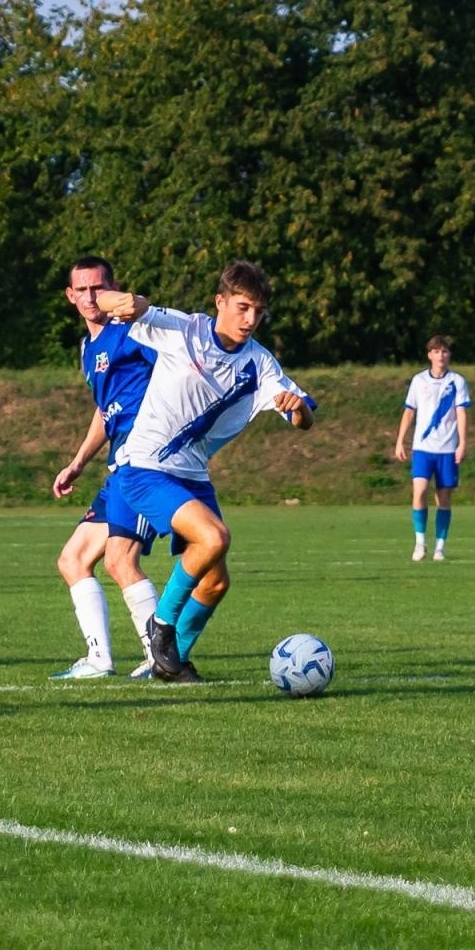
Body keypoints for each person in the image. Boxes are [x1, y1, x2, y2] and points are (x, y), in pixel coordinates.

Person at [96, 261, 315, 683]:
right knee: (214, 536)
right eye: (242, 307)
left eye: (258, 311)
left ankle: (168, 665)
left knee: (215, 584)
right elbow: (107, 304)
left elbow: (304, 421)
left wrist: (298, 408)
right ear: (220, 302)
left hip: (194, 477)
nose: (250, 319)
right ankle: (161, 630)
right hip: (146, 467)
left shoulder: (259, 364)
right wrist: (123, 300)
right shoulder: (184, 330)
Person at [49, 256, 162, 680]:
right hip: (119, 465)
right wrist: (78, 462)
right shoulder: (88, 348)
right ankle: (100, 660)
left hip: (147, 460)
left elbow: (175, 350)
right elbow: (105, 410)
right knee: (73, 559)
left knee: (120, 561)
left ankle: (161, 659)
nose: (91, 297)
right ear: (70, 296)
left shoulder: (134, 330)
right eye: (82, 290)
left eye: (99, 288)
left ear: (113, 288)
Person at [394, 334, 470, 561]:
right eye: (436, 351)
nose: (441, 355)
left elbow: (461, 412)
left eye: (444, 351)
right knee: (419, 492)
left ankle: (439, 547)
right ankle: (420, 543)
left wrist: (463, 443)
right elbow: (409, 411)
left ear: (449, 355)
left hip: (447, 449)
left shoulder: (457, 381)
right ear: (429, 355)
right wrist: (400, 441)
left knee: (443, 498)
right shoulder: (419, 381)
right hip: (422, 448)